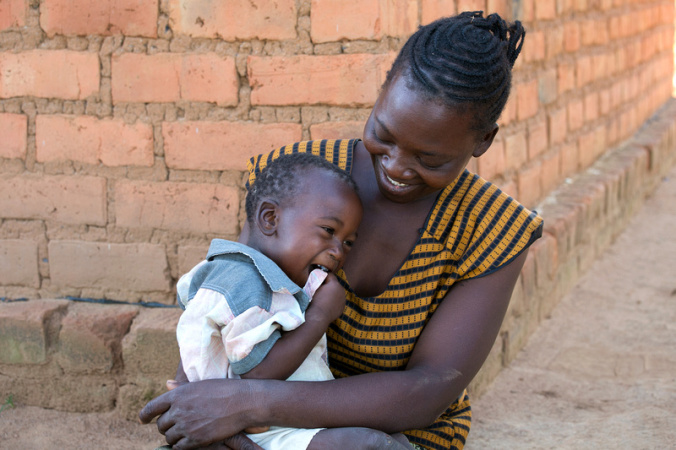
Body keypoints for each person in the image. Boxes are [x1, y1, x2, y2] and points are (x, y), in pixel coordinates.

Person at [140, 11, 544, 450]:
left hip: (397, 433)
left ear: (483, 141)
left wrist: (250, 402)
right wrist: (201, 398)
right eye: (383, 134)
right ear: (382, 92)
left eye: (429, 160)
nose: (395, 166)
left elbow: (428, 389)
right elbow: (230, 303)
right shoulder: (299, 179)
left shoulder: (492, 230)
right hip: (261, 421)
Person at [172, 153, 410, 449]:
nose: (338, 251)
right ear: (270, 219)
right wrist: (320, 314)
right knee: (368, 444)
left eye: (348, 242)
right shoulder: (243, 281)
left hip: (286, 421)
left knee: (393, 440)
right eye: (328, 231)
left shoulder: (272, 282)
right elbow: (258, 373)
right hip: (260, 431)